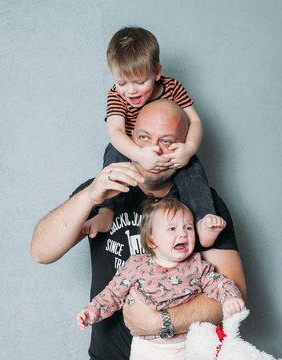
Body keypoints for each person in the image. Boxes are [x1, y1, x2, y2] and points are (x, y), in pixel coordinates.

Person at [30, 99, 246, 360]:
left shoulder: (203, 205)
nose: (154, 150)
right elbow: (41, 251)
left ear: (185, 146)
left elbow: (234, 293)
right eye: (144, 137)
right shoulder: (102, 191)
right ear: (129, 138)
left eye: (167, 141)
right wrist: (89, 196)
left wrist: (160, 322)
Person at [87, 26, 225, 249]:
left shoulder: (172, 87)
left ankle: (202, 220)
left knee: (193, 169)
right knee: (112, 156)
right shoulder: (115, 94)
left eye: (140, 82)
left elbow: (196, 122)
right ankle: (106, 212)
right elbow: (115, 132)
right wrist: (139, 155)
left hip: (168, 152)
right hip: (132, 148)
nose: (130, 91)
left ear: (157, 72)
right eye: (122, 83)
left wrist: (188, 149)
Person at [76, 197, 245, 360]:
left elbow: (219, 283)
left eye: (188, 228)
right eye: (172, 229)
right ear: (151, 240)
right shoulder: (136, 265)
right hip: (148, 348)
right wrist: (93, 311)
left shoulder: (196, 264)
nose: (183, 234)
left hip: (189, 345)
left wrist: (230, 297)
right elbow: (113, 293)